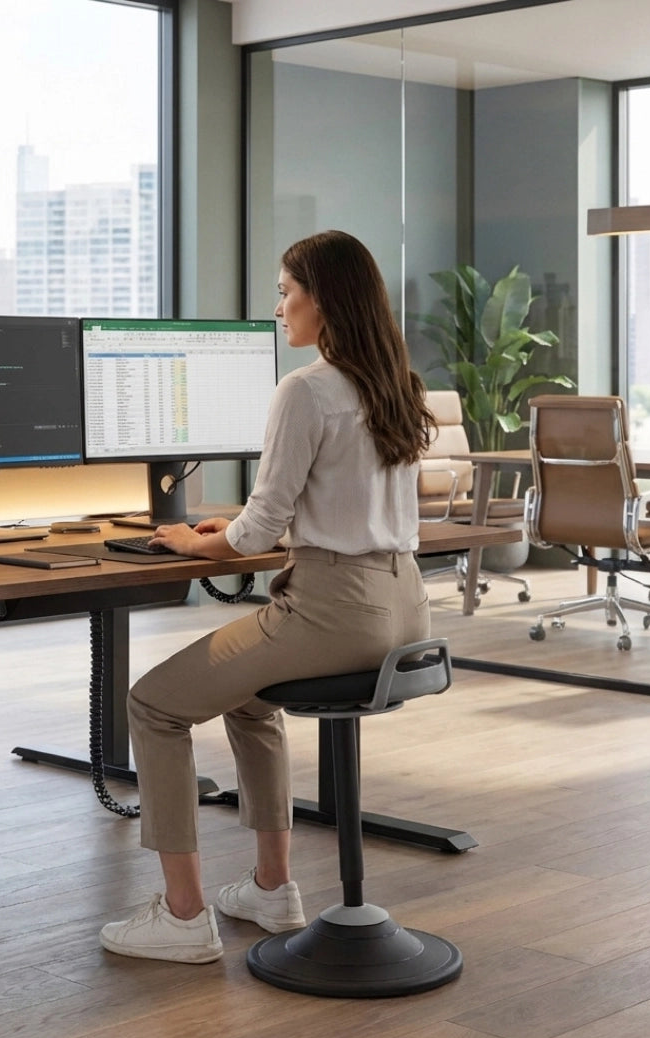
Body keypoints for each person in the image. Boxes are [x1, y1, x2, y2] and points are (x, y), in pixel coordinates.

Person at [99, 229, 436, 964]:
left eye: (286, 291)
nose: (278, 307)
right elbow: (315, 515)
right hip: (406, 606)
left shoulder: (305, 389)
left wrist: (194, 543)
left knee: (153, 704)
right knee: (250, 697)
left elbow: (257, 535)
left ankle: (184, 918)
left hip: (333, 613)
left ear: (323, 299)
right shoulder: (392, 385)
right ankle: (272, 887)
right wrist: (240, 529)